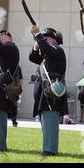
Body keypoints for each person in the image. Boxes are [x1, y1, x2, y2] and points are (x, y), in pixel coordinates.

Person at [29, 26, 68, 156]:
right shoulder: (47, 53)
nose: (43, 40)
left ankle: (50, 150)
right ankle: (48, 147)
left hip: (51, 92)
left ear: (54, 40)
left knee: (50, 122)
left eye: (46, 38)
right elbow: (33, 58)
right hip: (44, 91)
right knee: (45, 122)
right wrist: (36, 46)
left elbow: (46, 48)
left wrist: (38, 35)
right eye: (43, 38)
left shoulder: (57, 50)